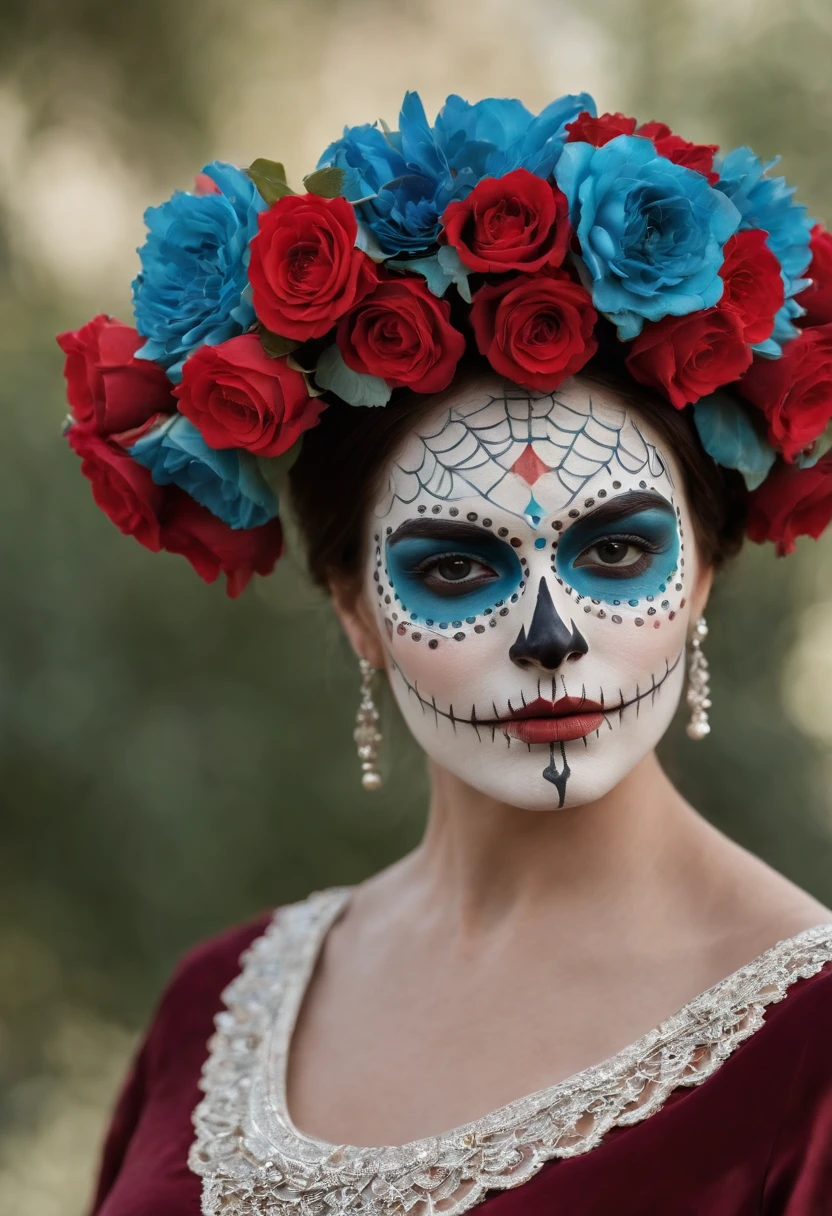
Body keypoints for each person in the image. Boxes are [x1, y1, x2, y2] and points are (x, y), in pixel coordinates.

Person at [58, 91, 832, 1215]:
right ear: (352, 606)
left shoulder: (812, 1053)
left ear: (704, 570)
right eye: (458, 569)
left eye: (616, 550)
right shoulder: (212, 1003)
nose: (551, 636)